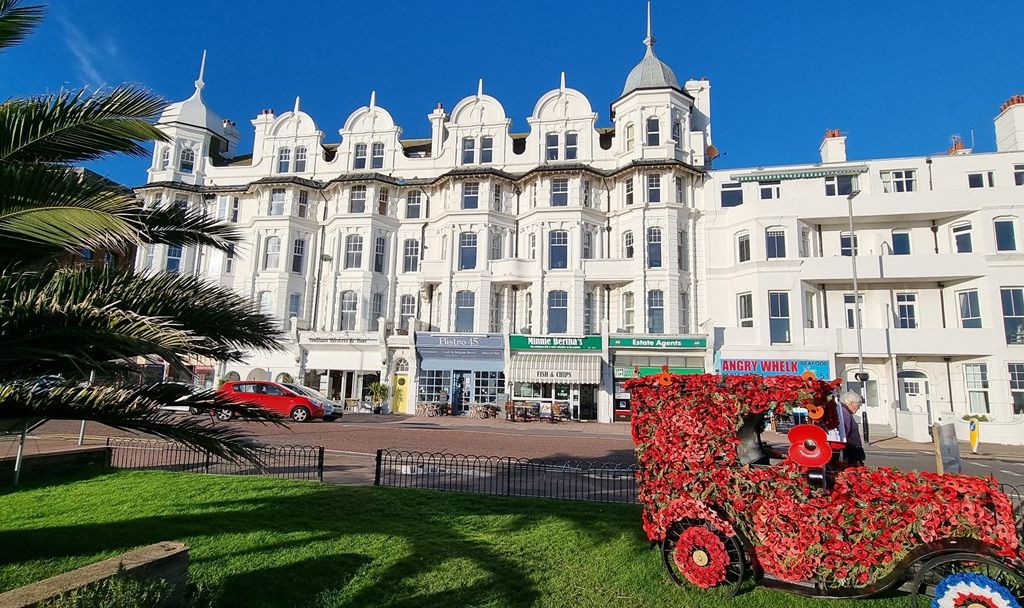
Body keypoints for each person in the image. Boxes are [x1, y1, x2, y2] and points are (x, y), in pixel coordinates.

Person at [839, 391, 866, 466]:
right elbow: (845, 433)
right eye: (858, 404)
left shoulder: (844, 411)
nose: (859, 407)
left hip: (851, 451)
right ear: (851, 403)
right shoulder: (845, 413)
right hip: (851, 452)